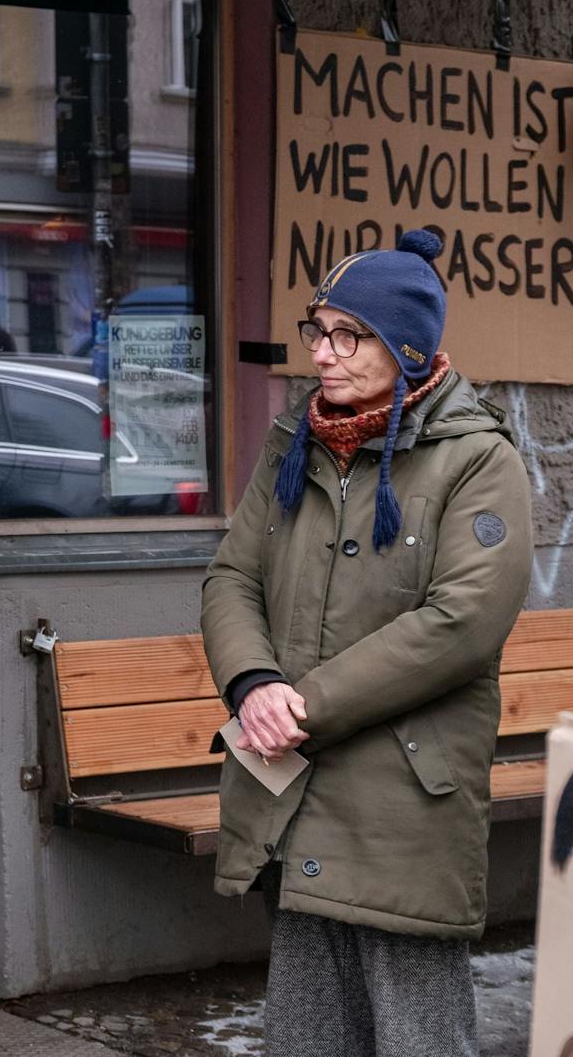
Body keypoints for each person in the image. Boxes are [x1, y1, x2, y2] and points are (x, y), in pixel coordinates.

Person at [202, 230, 531, 1057]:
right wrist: (252, 685)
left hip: (404, 812)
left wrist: (301, 705)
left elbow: (461, 622)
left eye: (349, 334)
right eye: (318, 329)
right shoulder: (292, 446)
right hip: (293, 797)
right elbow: (232, 577)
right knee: (308, 1039)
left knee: (418, 1039)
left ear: (406, 347)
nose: (323, 353)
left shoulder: (478, 462)